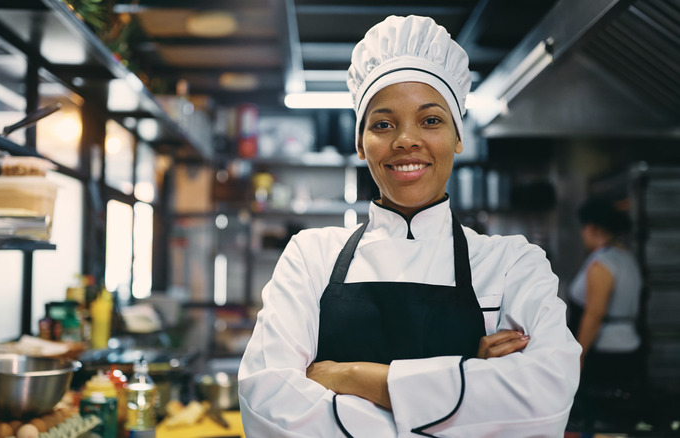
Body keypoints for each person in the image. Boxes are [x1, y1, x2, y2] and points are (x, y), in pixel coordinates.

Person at [238, 15, 581, 437]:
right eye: (382, 124)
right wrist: (467, 383)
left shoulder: (513, 263)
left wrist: (350, 377)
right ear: (361, 144)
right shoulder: (311, 256)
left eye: (431, 120)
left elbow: (545, 400)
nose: (406, 140)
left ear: (458, 137)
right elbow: (267, 404)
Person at [568, 197, 643, 390]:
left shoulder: (601, 264)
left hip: (604, 353)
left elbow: (594, 314)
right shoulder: (626, 257)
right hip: (629, 345)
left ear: (591, 227)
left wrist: (579, 357)